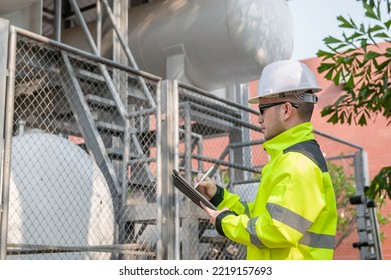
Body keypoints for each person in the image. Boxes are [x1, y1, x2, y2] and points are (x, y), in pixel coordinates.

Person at [195, 60, 338, 260]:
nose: (259, 119)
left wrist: (226, 222)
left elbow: (277, 229)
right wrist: (218, 196)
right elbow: (259, 215)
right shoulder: (288, 160)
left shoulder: (298, 164)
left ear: (286, 110)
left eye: (263, 110)